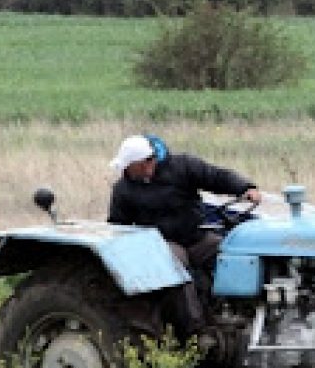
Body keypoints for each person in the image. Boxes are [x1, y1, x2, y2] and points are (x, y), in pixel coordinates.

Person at [107, 134, 261, 344]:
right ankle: (197, 331)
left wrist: (245, 187)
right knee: (175, 269)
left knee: (234, 254)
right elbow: (117, 227)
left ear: (145, 163)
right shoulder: (123, 190)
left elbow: (215, 177)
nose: (125, 171)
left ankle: (247, 316)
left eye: (129, 166)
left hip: (195, 236)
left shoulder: (182, 167)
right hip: (160, 243)